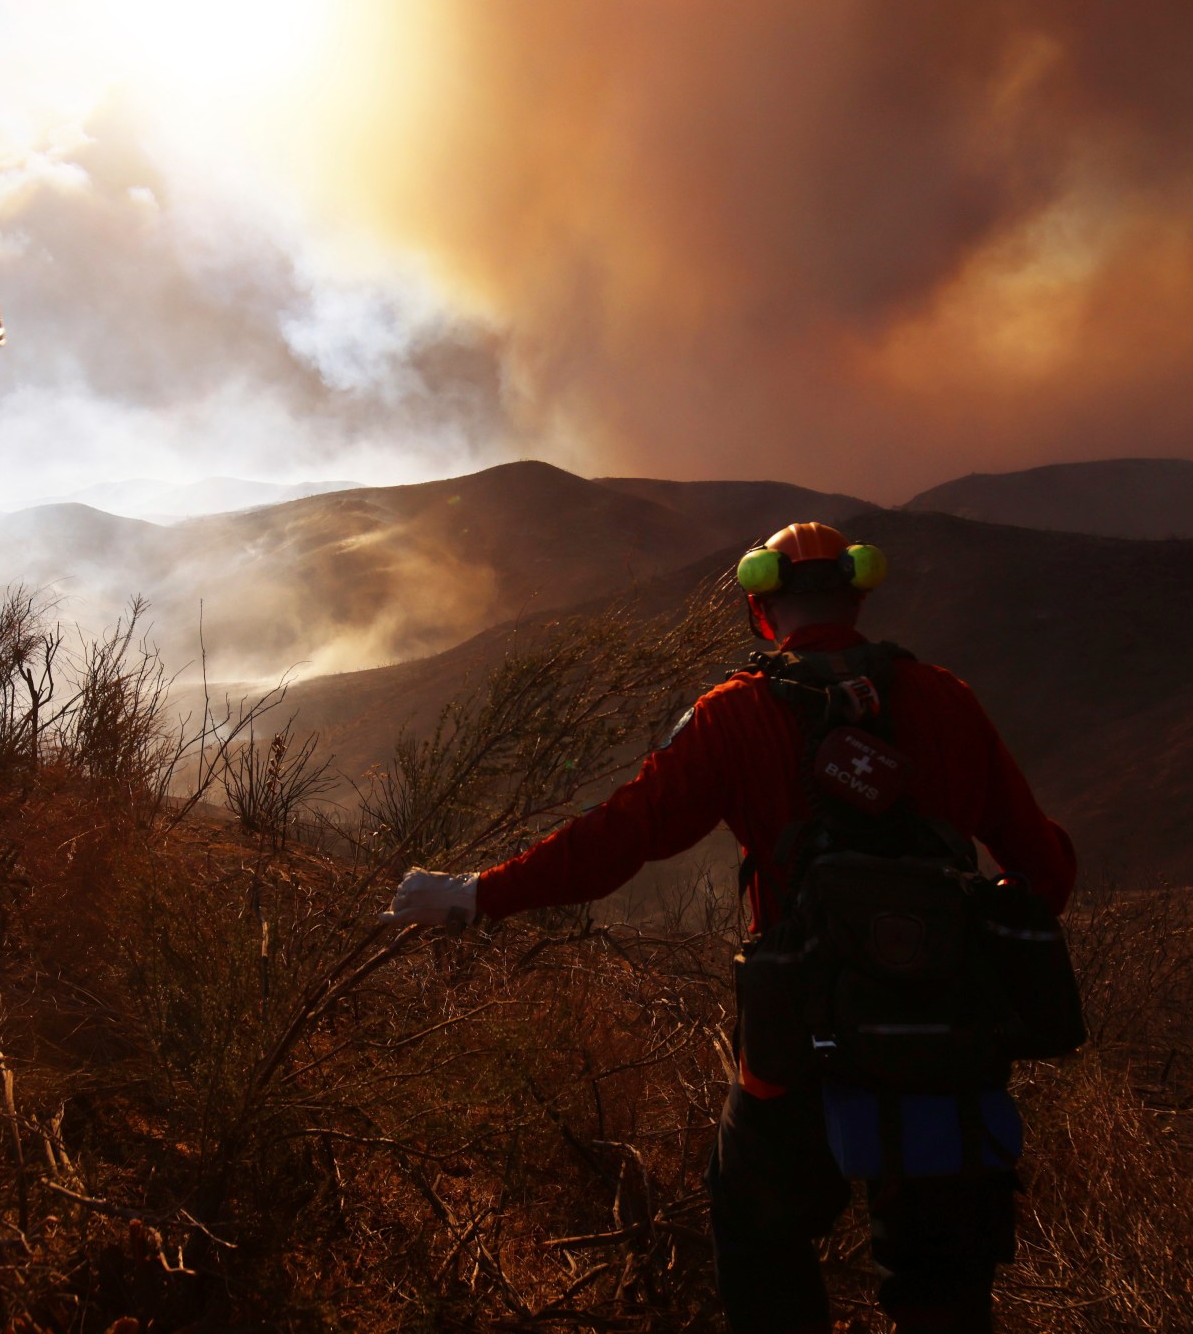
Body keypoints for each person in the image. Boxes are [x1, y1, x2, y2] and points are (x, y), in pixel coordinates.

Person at [382, 522, 1077, 1334]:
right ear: (857, 594)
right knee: (943, 1288)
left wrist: (479, 894)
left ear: (758, 608)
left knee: (757, 1226)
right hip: (951, 1051)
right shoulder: (947, 699)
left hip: (800, 1055)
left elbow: (622, 835)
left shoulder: (738, 714)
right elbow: (1047, 873)